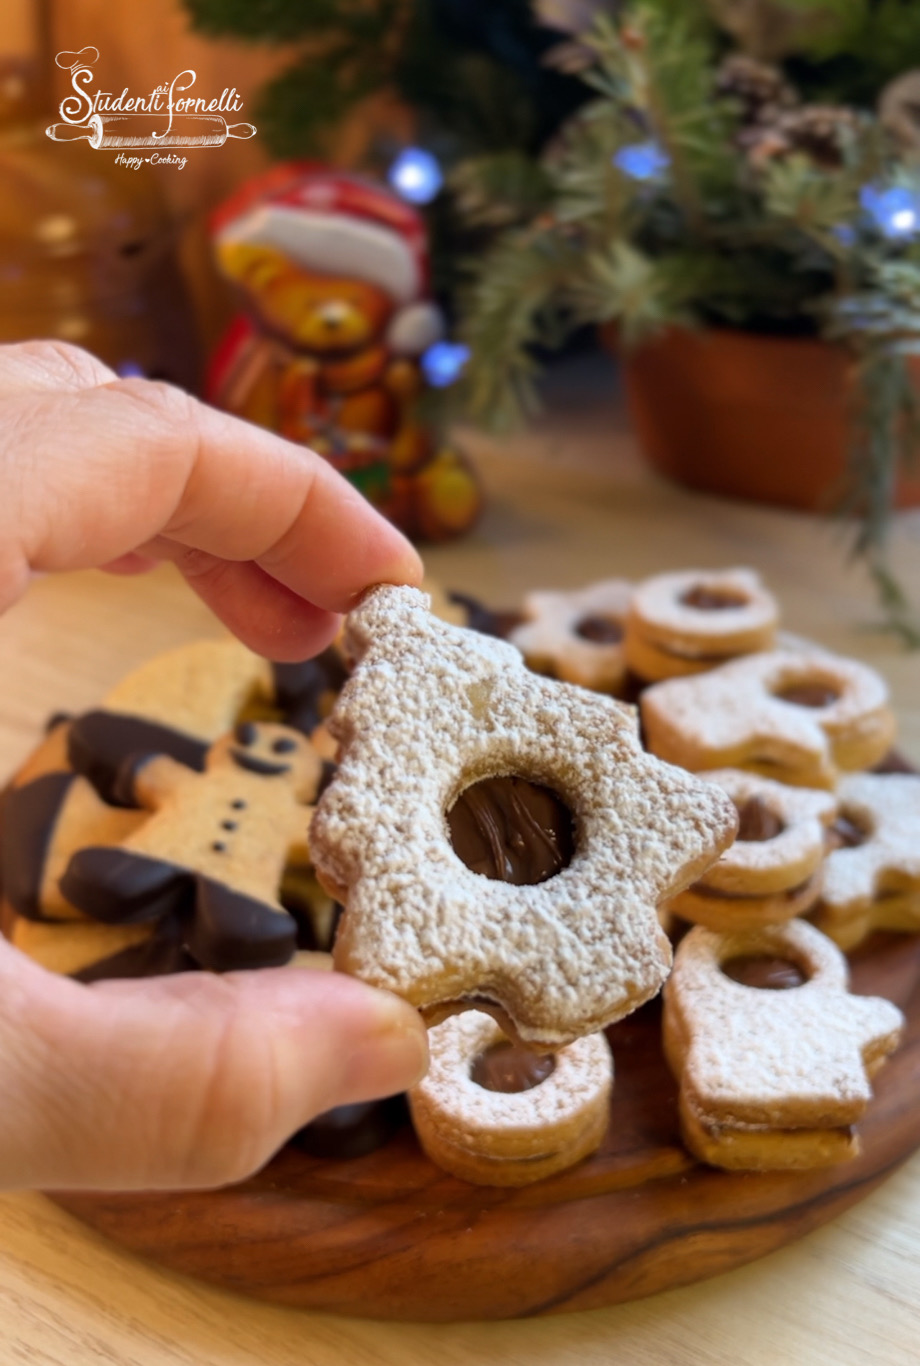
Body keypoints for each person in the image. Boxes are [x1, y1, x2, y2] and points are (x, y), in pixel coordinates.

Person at [0, 340, 429, 1192]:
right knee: (112, 886)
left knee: (244, 925)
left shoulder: (315, 820)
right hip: (158, 855)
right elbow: (117, 752)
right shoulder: (213, 776)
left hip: (243, 885)